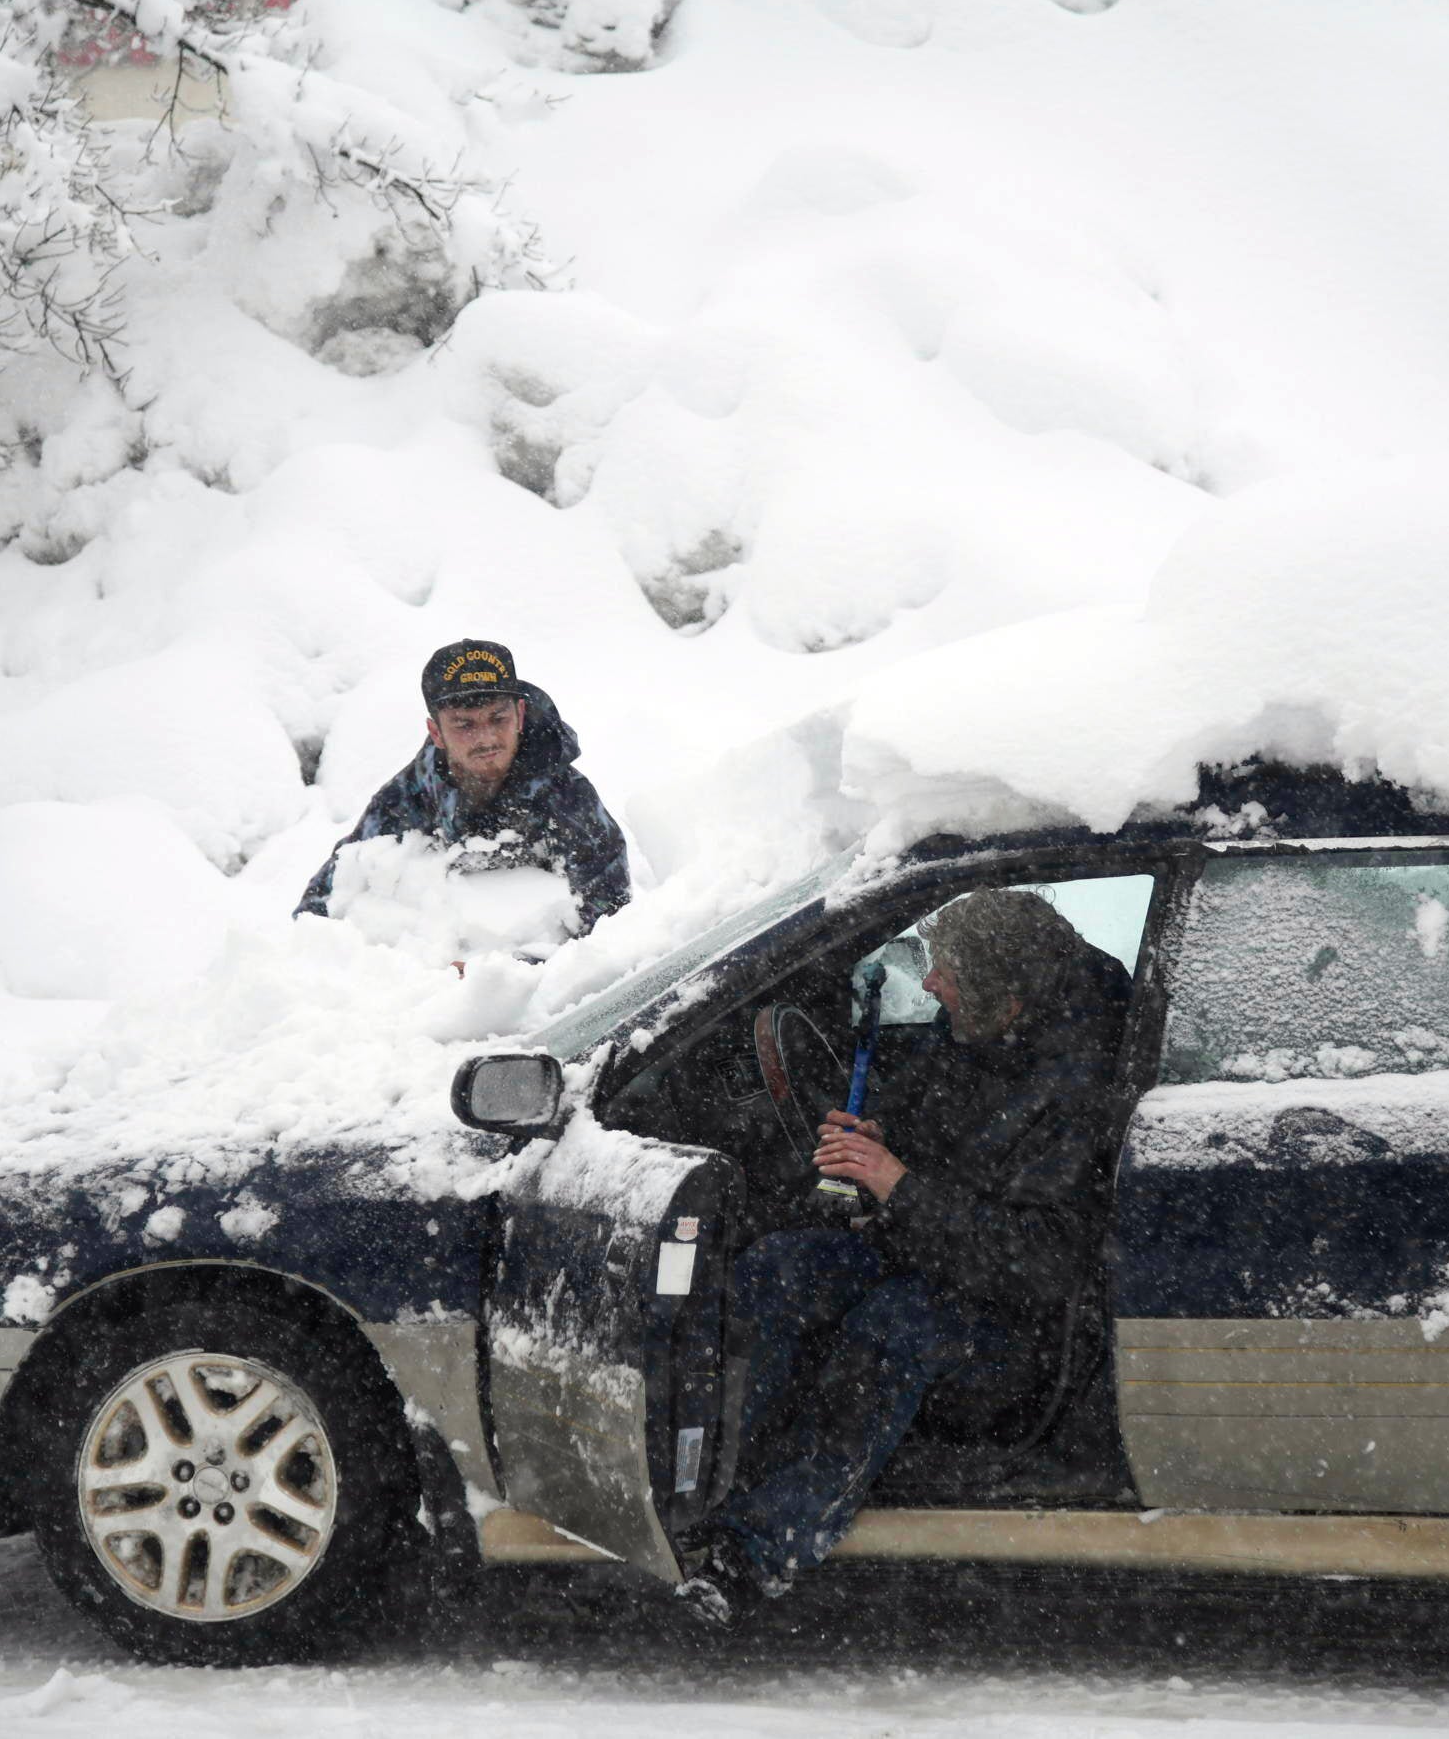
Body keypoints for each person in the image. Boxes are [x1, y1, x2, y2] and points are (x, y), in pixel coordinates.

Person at [676, 888, 1134, 1625]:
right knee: (779, 1269)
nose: (929, 982)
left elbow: (1041, 1261)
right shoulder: (976, 1032)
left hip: (1021, 1324)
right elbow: (940, 1129)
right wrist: (879, 1138)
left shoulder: (1074, 1088)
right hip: (927, 1248)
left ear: (1005, 993)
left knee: (892, 1327)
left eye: (944, 969)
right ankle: (715, 1482)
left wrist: (897, 1183)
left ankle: (756, 1549)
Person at [295, 639, 631, 933]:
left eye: (498, 719)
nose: (486, 739)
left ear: (520, 714)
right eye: (464, 725)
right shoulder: (413, 793)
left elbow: (612, 920)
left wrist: (511, 967)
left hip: (534, 964)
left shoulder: (567, 797)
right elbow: (333, 888)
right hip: (436, 957)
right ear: (436, 732)